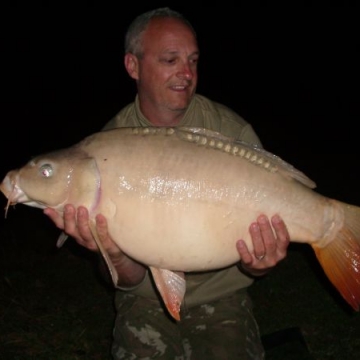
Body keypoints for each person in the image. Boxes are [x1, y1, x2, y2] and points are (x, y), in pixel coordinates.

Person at [44, 7, 290, 359]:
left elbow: (258, 252)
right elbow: (127, 280)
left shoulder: (231, 133)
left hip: (222, 297)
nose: (186, 73)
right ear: (133, 66)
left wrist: (258, 262)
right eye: (170, 59)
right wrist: (110, 253)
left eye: (192, 60)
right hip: (143, 300)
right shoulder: (106, 149)